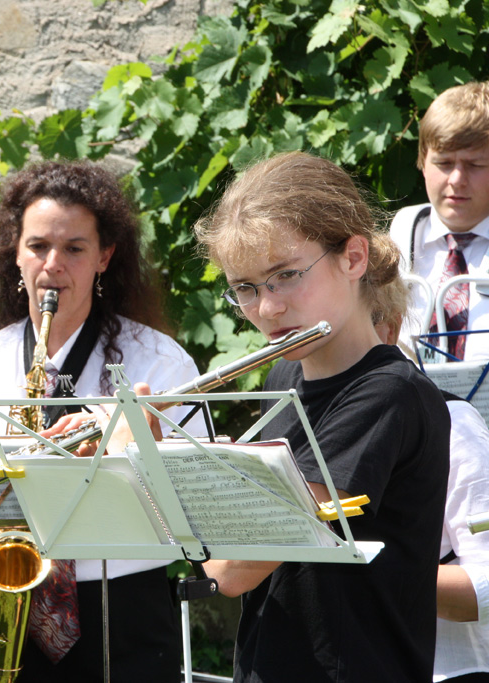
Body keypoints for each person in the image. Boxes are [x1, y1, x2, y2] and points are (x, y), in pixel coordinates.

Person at [0, 160, 205, 682]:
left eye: (74, 249)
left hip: (126, 615)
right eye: (37, 247)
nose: (52, 265)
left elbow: (198, 497)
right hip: (6, 602)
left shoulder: (160, 364)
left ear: (104, 257)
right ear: (15, 253)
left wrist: (140, 451)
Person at [195, 151, 450, 682]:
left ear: (353, 257)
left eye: (284, 276)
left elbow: (230, 570)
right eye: (244, 287)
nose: (266, 309)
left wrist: (147, 465)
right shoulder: (284, 380)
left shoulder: (388, 395)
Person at [375, 297, 489, 682]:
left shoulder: (454, 424)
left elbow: (484, 588)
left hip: (444, 668)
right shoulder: (297, 416)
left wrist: (361, 569)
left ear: (387, 328)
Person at [390, 81, 489, 361]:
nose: (456, 179)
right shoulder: (403, 231)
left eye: (475, 165)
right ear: (422, 161)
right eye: (444, 163)